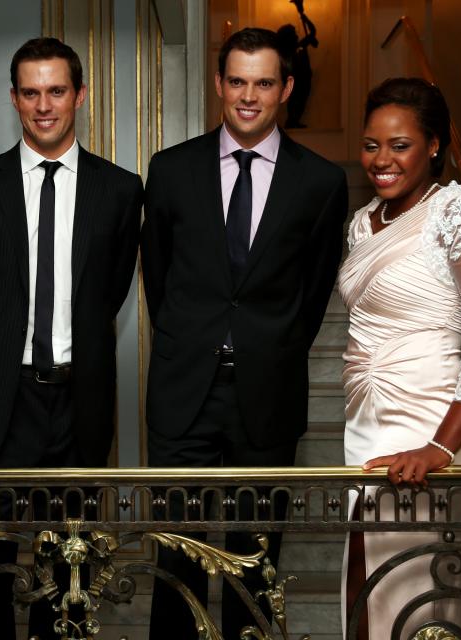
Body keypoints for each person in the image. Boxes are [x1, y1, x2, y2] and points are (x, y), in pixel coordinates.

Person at [141, 27, 349, 639]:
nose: (248, 96)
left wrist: (266, 346)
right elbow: (159, 276)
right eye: (237, 81)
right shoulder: (171, 169)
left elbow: (312, 295)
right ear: (218, 85)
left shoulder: (320, 182)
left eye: (263, 82)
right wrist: (193, 342)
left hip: (267, 393)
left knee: (254, 565)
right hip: (183, 393)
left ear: (286, 88)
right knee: (173, 558)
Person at [0, 37, 143, 639]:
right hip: (0, 398)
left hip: (78, 400)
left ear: (79, 95)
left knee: (71, 573)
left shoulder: (119, 189)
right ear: (13, 99)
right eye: (30, 92)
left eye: (56, 91)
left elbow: (108, 292)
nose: (44, 105)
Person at [338, 77, 461, 638]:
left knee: (415, 587)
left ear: (434, 145)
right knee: (365, 576)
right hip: (365, 418)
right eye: (371, 145)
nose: (381, 159)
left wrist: (441, 447)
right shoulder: (363, 221)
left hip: (431, 420)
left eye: (400, 145)